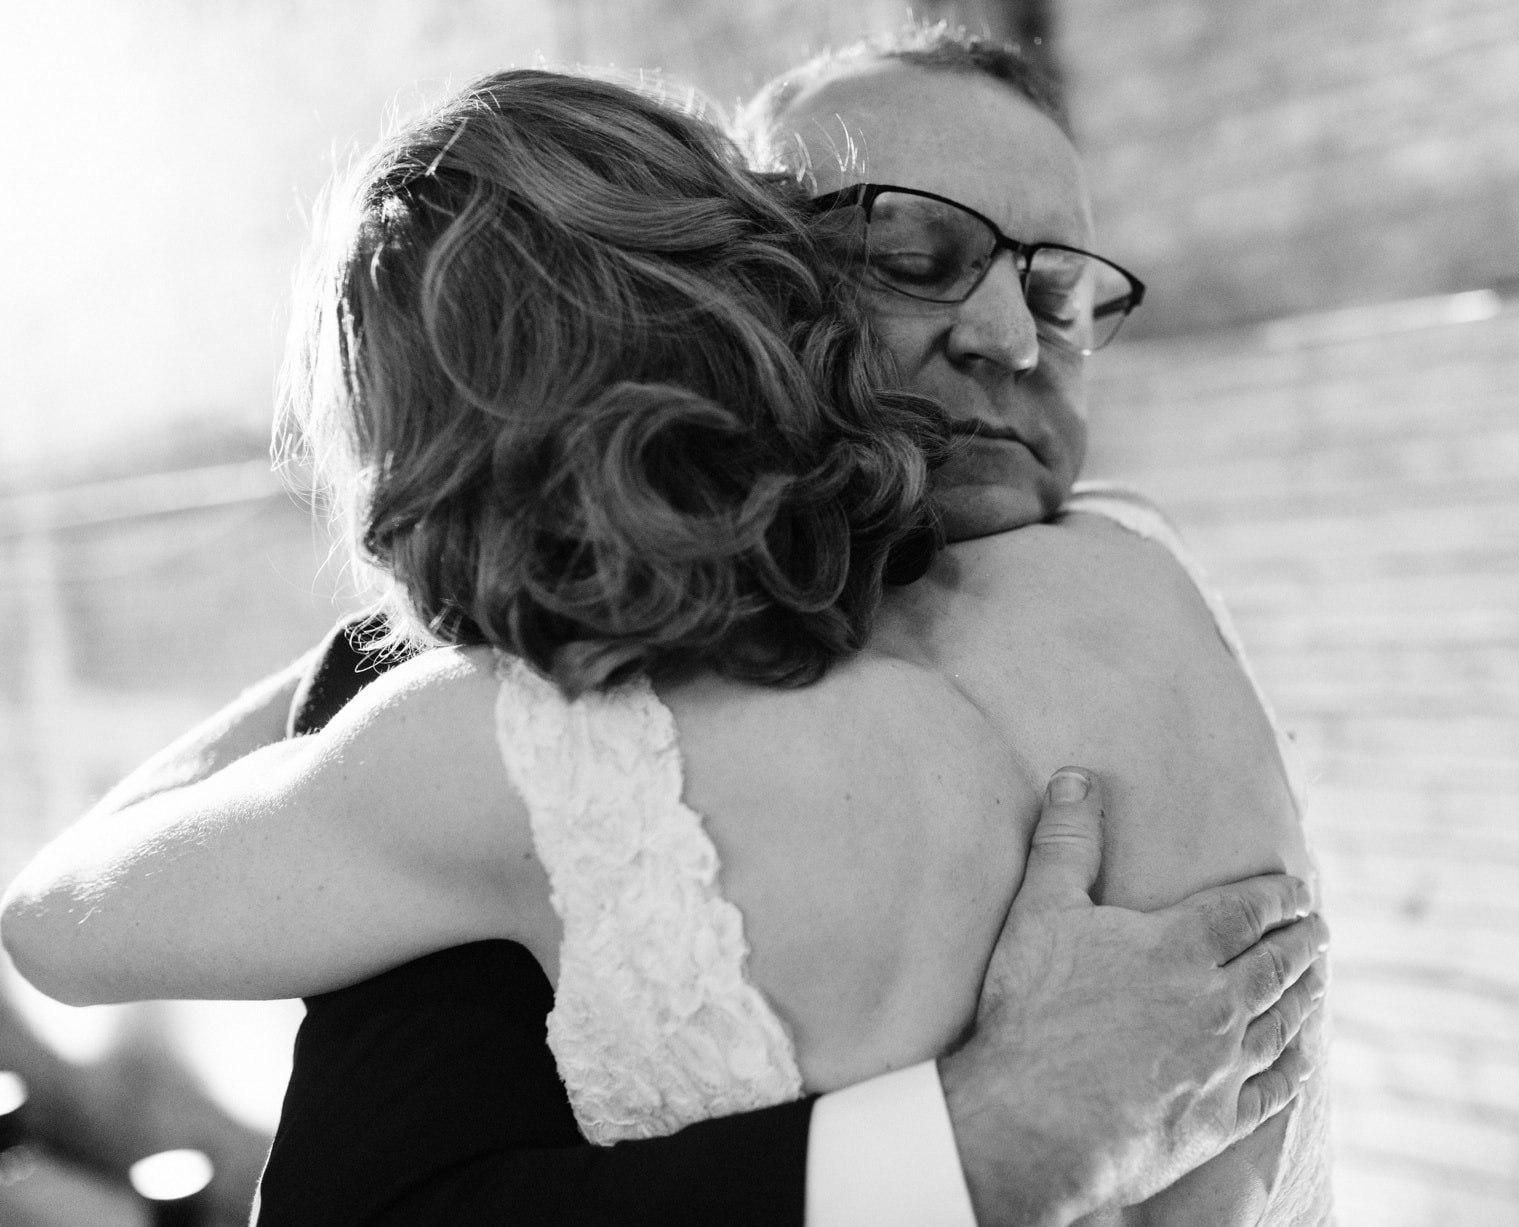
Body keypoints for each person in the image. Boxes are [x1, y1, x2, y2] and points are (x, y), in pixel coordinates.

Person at [4, 35, 1331, 1227]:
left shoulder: (498, 755)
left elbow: (56, 918)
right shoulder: (1129, 589)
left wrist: (422, 602)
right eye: (912, 255)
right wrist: (980, 1144)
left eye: (1063, 295)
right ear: (769, 287)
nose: (1009, 340)